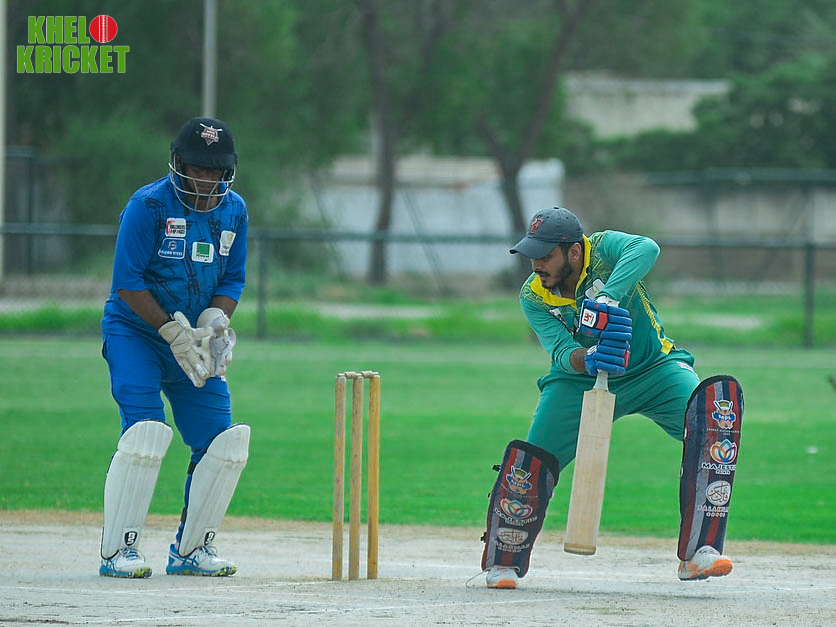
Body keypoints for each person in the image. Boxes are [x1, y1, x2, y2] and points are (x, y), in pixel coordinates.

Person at [480, 207, 744, 589]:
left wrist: (608, 297)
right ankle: (503, 561)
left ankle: (699, 552)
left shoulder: (603, 248)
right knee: (532, 459)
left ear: (573, 251)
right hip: (578, 382)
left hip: (653, 368)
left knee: (711, 424)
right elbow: (560, 351)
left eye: (545, 255)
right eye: (532, 255)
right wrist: (587, 358)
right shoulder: (533, 296)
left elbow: (647, 248)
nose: (536, 265)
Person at [99, 116, 251, 578]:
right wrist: (169, 331)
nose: (205, 180)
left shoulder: (234, 211)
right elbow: (127, 281)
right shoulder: (147, 206)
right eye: (197, 169)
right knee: (146, 430)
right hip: (137, 333)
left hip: (195, 339)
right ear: (178, 164)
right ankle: (119, 551)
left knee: (223, 443)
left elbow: (232, 278)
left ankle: (192, 550)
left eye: (214, 171)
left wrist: (214, 323)